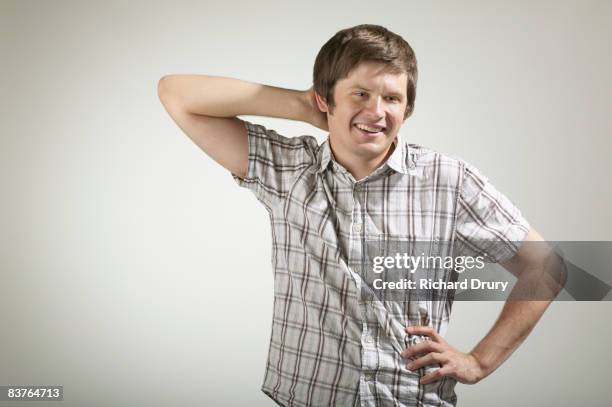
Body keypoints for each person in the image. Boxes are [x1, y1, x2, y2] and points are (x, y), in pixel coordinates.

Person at [158, 24, 561, 407]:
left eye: (392, 98)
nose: (377, 112)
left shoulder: (450, 181)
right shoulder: (287, 169)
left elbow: (547, 267)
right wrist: (300, 105)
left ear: (407, 107)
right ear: (325, 99)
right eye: (360, 94)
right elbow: (176, 94)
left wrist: (479, 361)